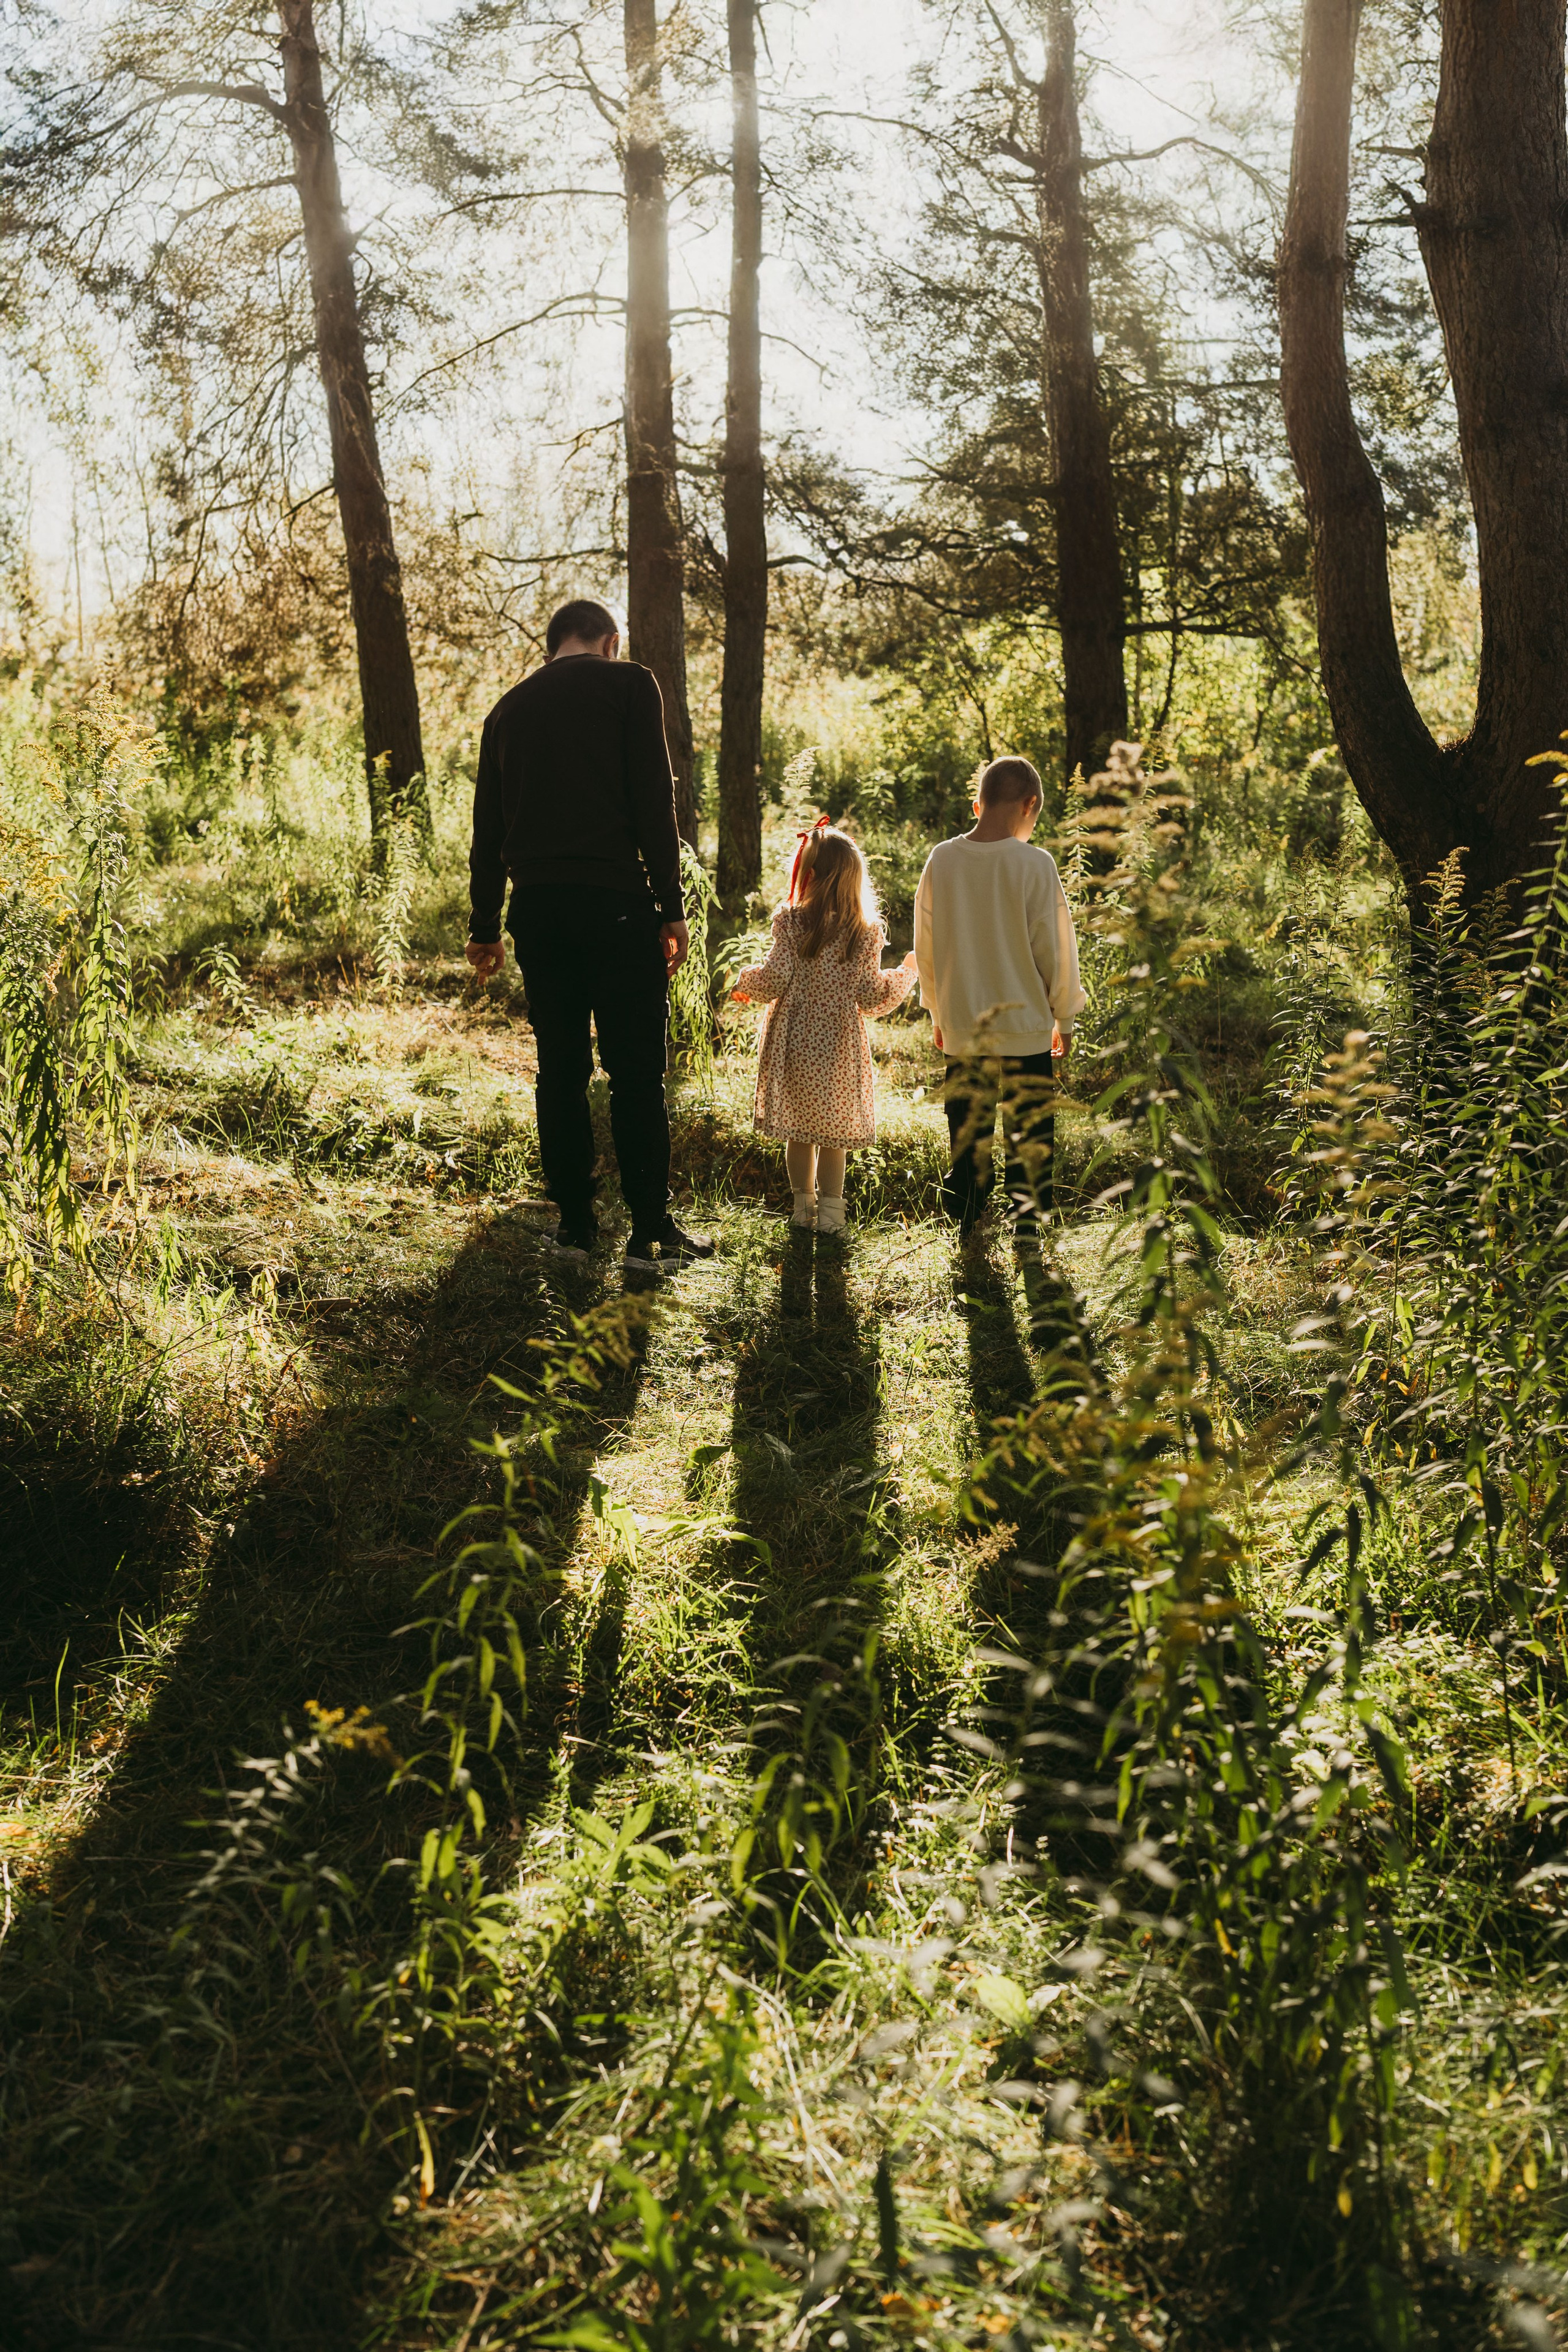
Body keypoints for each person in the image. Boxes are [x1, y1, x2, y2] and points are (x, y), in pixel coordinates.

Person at [466, 597, 714, 1272]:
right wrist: (672, 905)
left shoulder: (507, 710)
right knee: (637, 1074)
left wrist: (484, 925)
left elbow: (488, 829)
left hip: (539, 912)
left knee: (562, 1073)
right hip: (617, 907)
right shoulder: (630, 683)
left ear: (553, 646)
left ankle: (575, 1228)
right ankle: (648, 1234)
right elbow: (652, 800)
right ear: (609, 641)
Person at [913, 755, 1085, 1243]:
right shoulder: (1035, 864)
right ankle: (1028, 1227)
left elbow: (926, 944)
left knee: (966, 1127)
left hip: (965, 1023)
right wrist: (1064, 1016)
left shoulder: (942, 859)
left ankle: (968, 1217)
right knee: (1030, 1131)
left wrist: (937, 1010)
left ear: (978, 803)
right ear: (1030, 805)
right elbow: (1056, 947)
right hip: (1026, 1025)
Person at [731, 821, 917, 1233]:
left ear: (808, 876)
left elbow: (775, 978)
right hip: (838, 1044)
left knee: (800, 1132)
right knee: (835, 1134)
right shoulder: (865, 931)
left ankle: (802, 1212)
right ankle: (832, 1219)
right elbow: (872, 997)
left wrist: (744, 980)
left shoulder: (791, 921)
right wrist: (906, 972)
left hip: (795, 1040)